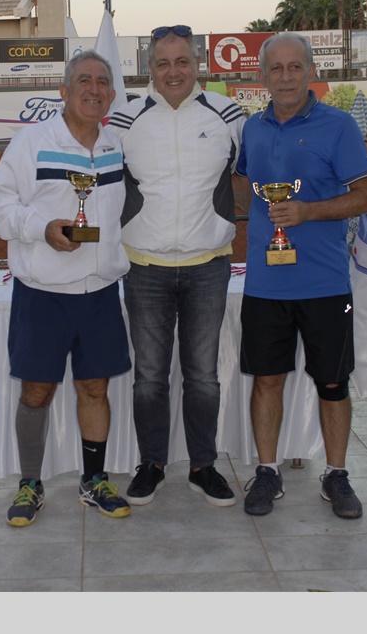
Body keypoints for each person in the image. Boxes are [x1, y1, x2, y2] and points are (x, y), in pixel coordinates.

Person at [0, 50, 133, 527]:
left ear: (112, 94)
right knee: (37, 390)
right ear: (64, 91)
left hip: (100, 291)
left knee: (95, 387)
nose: (94, 89)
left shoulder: (116, 145)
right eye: (83, 80)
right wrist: (41, 227)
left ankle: (94, 481)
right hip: (43, 293)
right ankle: (30, 483)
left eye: (102, 82)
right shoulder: (32, 142)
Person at [235, 32, 367, 519]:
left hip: (325, 282)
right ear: (262, 76)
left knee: (333, 383)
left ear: (311, 71)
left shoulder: (338, 125)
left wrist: (308, 211)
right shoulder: (253, 129)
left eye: (295, 67)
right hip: (265, 282)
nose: (286, 77)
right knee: (266, 380)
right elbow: (243, 183)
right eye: (276, 68)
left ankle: (336, 474)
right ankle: (267, 471)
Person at [107, 25, 245, 508]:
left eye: (182, 61)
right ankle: (152, 464)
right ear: (149, 68)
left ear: (197, 65)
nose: (173, 71)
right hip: (145, 267)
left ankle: (203, 466)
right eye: (163, 63)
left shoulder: (228, 115)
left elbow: (255, 172)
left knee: (203, 376)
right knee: (149, 376)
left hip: (209, 265)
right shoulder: (123, 120)